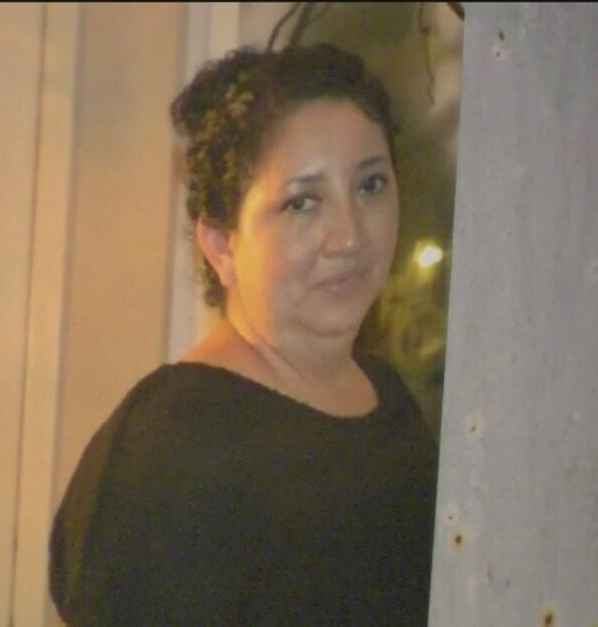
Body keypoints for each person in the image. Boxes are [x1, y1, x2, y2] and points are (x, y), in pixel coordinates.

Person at [48, 43, 439, 626]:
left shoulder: (387, 395)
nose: (350, 236)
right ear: (221, 244)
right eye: (302, 202)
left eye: (371, 185)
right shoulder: (169, 446)